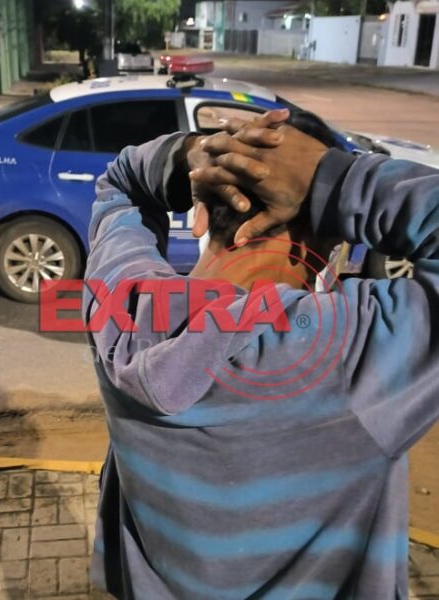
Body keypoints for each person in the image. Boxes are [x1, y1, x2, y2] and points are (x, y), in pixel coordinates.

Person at [82, 109, 439, 599]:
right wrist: (333, 179)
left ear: (201, 211)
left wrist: (191, 157)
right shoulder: (352, 354)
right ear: (330, 240)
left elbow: (120, 182)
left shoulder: (122, 312)